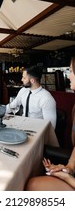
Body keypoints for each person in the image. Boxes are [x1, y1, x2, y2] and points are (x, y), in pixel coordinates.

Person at [25, 57, 75, 191]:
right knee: (31, 183)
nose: (68, 76)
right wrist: (68, 168)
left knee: (31, 185)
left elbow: (50, 128)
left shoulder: (46, 98)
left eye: (70, 71)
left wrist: (67, 178)